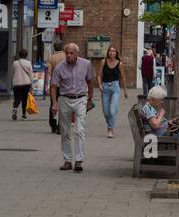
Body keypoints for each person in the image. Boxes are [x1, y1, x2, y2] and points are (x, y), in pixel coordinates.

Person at [50, 42, 97, 172]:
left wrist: (90, 99)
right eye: (67, 53)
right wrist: (54, 103)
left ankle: (79, 161)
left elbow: (90, 81)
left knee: (79, 130)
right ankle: (67, 160)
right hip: (64, 99)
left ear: (77, 53)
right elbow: (53, 86)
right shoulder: (60, 67)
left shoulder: (85, 64)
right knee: (65, 131)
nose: (69, 55)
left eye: (71, 53)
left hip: (80, 98)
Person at [140, 87, 179, 178]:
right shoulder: (147, 108)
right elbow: (155, 125)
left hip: (160, 134)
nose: (162, 102)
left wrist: (169, 122)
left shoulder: (151, 107)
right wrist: (161, 114)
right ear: (153, 99)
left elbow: (158, 123)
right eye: (160, 100)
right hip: (158, 137)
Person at [101, 45, 123, 138]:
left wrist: (125, 90)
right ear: (108, 52)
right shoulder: (103, 61)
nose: (112, 53)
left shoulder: (120, 63)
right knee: (106, 112)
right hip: (105, 88)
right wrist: (99, 85)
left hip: (115, 87)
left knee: (112, 110)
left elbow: (123, 77)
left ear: (116, 53)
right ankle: (110, 119)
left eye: (114, 51)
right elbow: (99, 75)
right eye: (110, 51)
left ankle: (110, 129)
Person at [46, 41, 65, 133]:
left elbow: (49, 72)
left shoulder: (51, 58)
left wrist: (47, 86)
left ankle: (53, 124)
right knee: (64, 105)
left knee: (53, 104)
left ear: (54, 48)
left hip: (54, 84)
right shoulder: (66, 56)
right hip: (65, 84)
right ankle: (60, 125)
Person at [10, 47, 33, 121]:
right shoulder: (28, 63)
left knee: (17, 98)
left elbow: (13, 73)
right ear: (26, 55)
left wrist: (12, 81)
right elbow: (31, 75)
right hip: (26, 83)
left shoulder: (15, 63)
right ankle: (23, 115)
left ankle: (15, 108)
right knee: (24, 99)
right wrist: (31, 85)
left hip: (16, 83)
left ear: (19, 55)